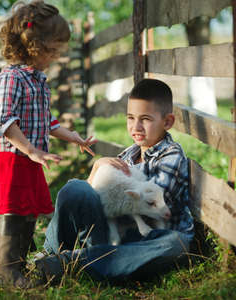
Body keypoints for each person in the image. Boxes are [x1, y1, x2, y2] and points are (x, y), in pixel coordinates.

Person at [0, 0, 96, 288]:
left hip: (29, 158)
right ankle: (6, 271)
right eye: (53, 50)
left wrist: (74, 137)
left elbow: (46, 122)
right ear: (35, 47)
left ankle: (20, 266)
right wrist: (31, 149)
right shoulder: (10, 79)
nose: (57, 56)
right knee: (14, 211)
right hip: (11, 158)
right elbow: (4, 122)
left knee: (28, 211)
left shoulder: (38, 80)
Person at [35, 78, 194, 283]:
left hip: (148, 239)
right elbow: (95, 194)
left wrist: (115, 194)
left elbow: (155, 204)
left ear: (167, 122)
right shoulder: (127, 155)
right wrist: (96, 169)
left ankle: (68, 263)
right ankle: (58, 255)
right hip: (113, 234)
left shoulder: (171, 156)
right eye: (130, 118)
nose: (136, 126)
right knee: (74, 188)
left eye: (145, 119)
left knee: (176, 244)